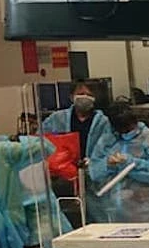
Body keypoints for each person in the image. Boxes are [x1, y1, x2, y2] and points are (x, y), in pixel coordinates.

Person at [42, 82, 112, 223]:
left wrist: (94, 161)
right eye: (80, 94)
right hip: (64, 176)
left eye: (89, 94)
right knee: (68, 215)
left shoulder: (103, 122)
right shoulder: (57, 118)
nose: (84, 97)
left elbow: (109, 146)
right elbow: (42, 140)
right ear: (71, 96)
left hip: (93, 173)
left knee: (97, 214)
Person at [89, 103, 149, 223]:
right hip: (112, 210)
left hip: (144, 210)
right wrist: (107, 164)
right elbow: (94, 172)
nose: (126, 133)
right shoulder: (107, 140)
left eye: (129, 129)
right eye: (122, 130)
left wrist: (131, 163)